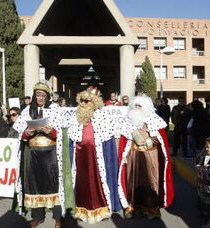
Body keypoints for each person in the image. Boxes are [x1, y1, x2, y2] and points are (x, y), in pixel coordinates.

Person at [13, 81, 63, 228]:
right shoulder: (27, 110)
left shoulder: (55, 109)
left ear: (47, 96)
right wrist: (26, 133)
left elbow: (63, 131)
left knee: (53, 183)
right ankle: (37, 216)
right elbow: (19, 131)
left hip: (50, 153)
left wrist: (52, 131)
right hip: (32, 152)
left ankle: (58, 217)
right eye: (38, 95)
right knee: (34, 184)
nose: (40, 98)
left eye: (43, 95)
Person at [68, 86, 120, 223]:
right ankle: (81, 210)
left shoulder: (102, 116)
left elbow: (108, 142)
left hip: (98, 157)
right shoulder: (76, 116)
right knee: (82, 182)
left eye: (88, 101)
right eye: (83, 101)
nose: (84, 104)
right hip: (81, 156)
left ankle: (102, 208)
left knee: (99, 180)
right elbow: (71, 138)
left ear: (95, 102)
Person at [118, 95, 174, 220]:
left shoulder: (154, 119)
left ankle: (152, 209)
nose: (137, 108)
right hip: (134, 156)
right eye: (135, 105)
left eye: (140, 106)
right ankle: (131, 206)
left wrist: (150, 141)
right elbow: (124, 141)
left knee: (151, 181)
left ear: (146, 107)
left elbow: (161, 138)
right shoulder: (128, 119)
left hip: (150, 155)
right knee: (132, 181)